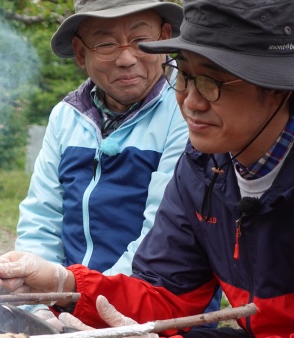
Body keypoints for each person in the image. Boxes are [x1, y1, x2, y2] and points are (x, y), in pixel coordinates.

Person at [0, 0, 294, 336]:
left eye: (212, 83)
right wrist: (65, 285)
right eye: (185, 76)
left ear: (279, 87)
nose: (190, 102)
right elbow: (166, 294)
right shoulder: (203, 169)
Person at [14, 0, 220, 330]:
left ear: (165, 39)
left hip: (157, 314)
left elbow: (159, 236)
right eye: (106, 43)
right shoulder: (66, 116)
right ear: (81, 53)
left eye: (141, 41)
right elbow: (42, 216)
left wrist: (87, 305)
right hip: (66, 304)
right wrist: (37, 302)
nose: (126, 59)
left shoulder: (188, 115)